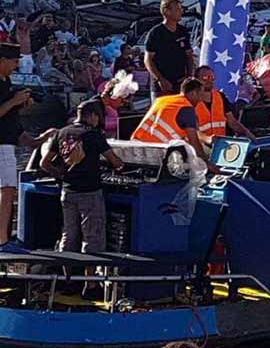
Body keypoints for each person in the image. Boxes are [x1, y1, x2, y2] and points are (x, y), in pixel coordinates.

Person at [40, 98, 124, 299]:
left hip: (67, 192)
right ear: (93, 116)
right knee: (91, 236)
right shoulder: (93, 135)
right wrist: (120, 165)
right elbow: (115, 161)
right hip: (90, 192)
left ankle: (68, 281)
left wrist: (62, 175)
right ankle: (90, 285)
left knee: (68, 235)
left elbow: (44, 163)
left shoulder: (62, 133)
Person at [0, 43, 56, 251]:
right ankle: (2, 241)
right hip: (1, 147)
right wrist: (15, 102)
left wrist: (39, 140)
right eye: (13, 61)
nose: (16, 66)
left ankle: (3, 236)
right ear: (2, 60)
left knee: (8, 191)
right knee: (7, 190)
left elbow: (11, 126)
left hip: (7, 144)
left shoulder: (7, 83)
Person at [130, 78, 212, 166]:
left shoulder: (162, 100)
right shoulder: (186, 108)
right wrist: (207, 163)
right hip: (156, 152)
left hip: (136, 147)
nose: (200, 100)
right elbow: (194, 141)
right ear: (193, 93)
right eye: (200, 95)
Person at [144, 0, 194, 102]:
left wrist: (189, 76)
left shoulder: (183, 31)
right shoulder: (155, 33)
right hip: (162, 85)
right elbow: (148, 60)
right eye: (177, 9)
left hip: (181, 83)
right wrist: (160, 79)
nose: (181, 11)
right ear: (166, 11)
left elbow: (189, 55)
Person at [194, 66, 257, 141]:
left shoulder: (220, 96)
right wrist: (207, 139)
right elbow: (192, 131)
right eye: (205, 78)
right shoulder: (191, 99)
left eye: (212, 77)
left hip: (221, 144)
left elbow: (232, 122)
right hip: (201, 145)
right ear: (196, 80)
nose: (210, 80)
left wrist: (247, 133)